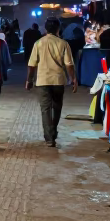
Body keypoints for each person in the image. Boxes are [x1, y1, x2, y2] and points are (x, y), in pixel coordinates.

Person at [25, 17, 76, 148]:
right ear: (58, 28)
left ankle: (49, 138)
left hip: (42, 81)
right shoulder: (63, 44)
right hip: (58, 80)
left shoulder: (38, 43)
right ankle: (53, 131)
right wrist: (73, 79)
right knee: (57, 108)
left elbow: (31, 65)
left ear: (46, 28)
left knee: (45, 109)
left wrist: (29, 80)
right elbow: (69, 65)